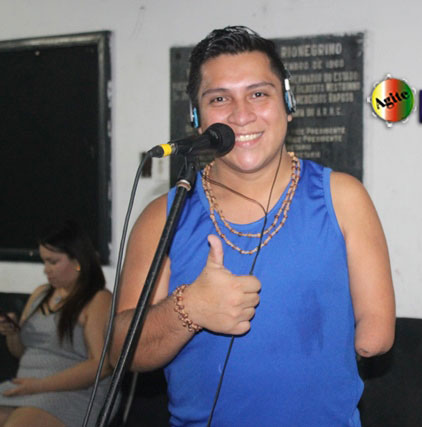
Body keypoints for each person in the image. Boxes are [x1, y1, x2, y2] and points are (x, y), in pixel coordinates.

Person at [110, 26, 395, 426]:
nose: (241, 115)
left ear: (288, 102)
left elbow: (376, 339)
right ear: (196, 118)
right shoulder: (162, 217)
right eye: (219, 98)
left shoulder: (342, 197)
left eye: (258, 94)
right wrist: (188, 309)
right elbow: (121, 351)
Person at [0, 220, 113, 426]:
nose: (46, 270)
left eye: (53, 262)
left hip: (70, 393)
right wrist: (12, 333)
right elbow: (21, 352)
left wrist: (39, 386)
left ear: (77, 260)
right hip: (24, 388)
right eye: (44, 262)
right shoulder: (40, 294)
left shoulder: (98, 299)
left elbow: (101, 365)